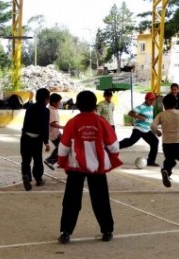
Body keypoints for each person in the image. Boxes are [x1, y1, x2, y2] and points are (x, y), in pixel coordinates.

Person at [57, 90, 122, 244]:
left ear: (78, 105)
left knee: (71, 200)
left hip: (75, 167)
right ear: (95, 105)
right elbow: (114, 146)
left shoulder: (72, 123)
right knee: (101, 199)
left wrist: (62, 162)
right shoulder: (102, 122)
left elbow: (63, 147)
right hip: (97, 168)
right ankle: (107, 230)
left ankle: (65, 232)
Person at [20, 88, 51, 191]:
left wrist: (24, 135)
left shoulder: (29, 108)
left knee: (26, 160)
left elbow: (25, 124)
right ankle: (38, 179)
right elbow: (45, 127)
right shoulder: (46, 111)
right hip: (37, 139)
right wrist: (46, 142)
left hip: (26, 137)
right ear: (47, 99)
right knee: (37, 159)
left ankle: (26, 176)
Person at [119, 92, 159, 167]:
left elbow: (150, 120)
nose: (152, 101)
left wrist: (156, 130)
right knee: (131, 141)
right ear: (146, 99)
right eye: (150, 100)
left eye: (153, 100)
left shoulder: (151, 107)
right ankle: (116, 146)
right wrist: (139, 117)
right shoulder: (141, 107)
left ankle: (151, 161)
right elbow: (130, 113)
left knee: (155, 142)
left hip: (146, 130)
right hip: (139, 128)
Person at [44, 93, 65, 170]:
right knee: (61, 147)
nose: (60, 103)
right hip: (53, 133)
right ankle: (50, 160)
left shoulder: (52, 109)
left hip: (56, 132)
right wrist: (62, 127)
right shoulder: (52, 111)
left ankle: (59, 161)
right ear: (54, 102)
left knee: (62, 147)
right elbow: (52, 124)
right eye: (59, 102)